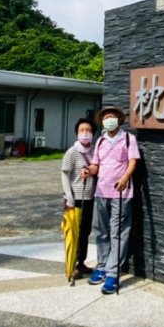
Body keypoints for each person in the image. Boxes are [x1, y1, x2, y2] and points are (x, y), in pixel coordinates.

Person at [83, 103, 140, 295]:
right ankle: (101, 265)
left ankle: (112, 274)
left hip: (121, 192)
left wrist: (125, 178)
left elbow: (133, 162)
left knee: (118, 232)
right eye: (106, 118)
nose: (109, 120)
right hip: (101, 191)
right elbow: (95, 165)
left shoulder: (128, 139)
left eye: (112, 117)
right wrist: (88, 171)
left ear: (119, 119)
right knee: (101, 231)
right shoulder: (100, 141)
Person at [61, 117, 97, 278]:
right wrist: (69, 196)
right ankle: (72, 264)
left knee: (85, 232)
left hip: (90, 198)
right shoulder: (72, 152)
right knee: (73, 231)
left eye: (88, 130)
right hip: (75, 198)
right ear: (76, 133)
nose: (85, 133)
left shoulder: (95, 150)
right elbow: (64, 174)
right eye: (82, 130)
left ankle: (81, 262)